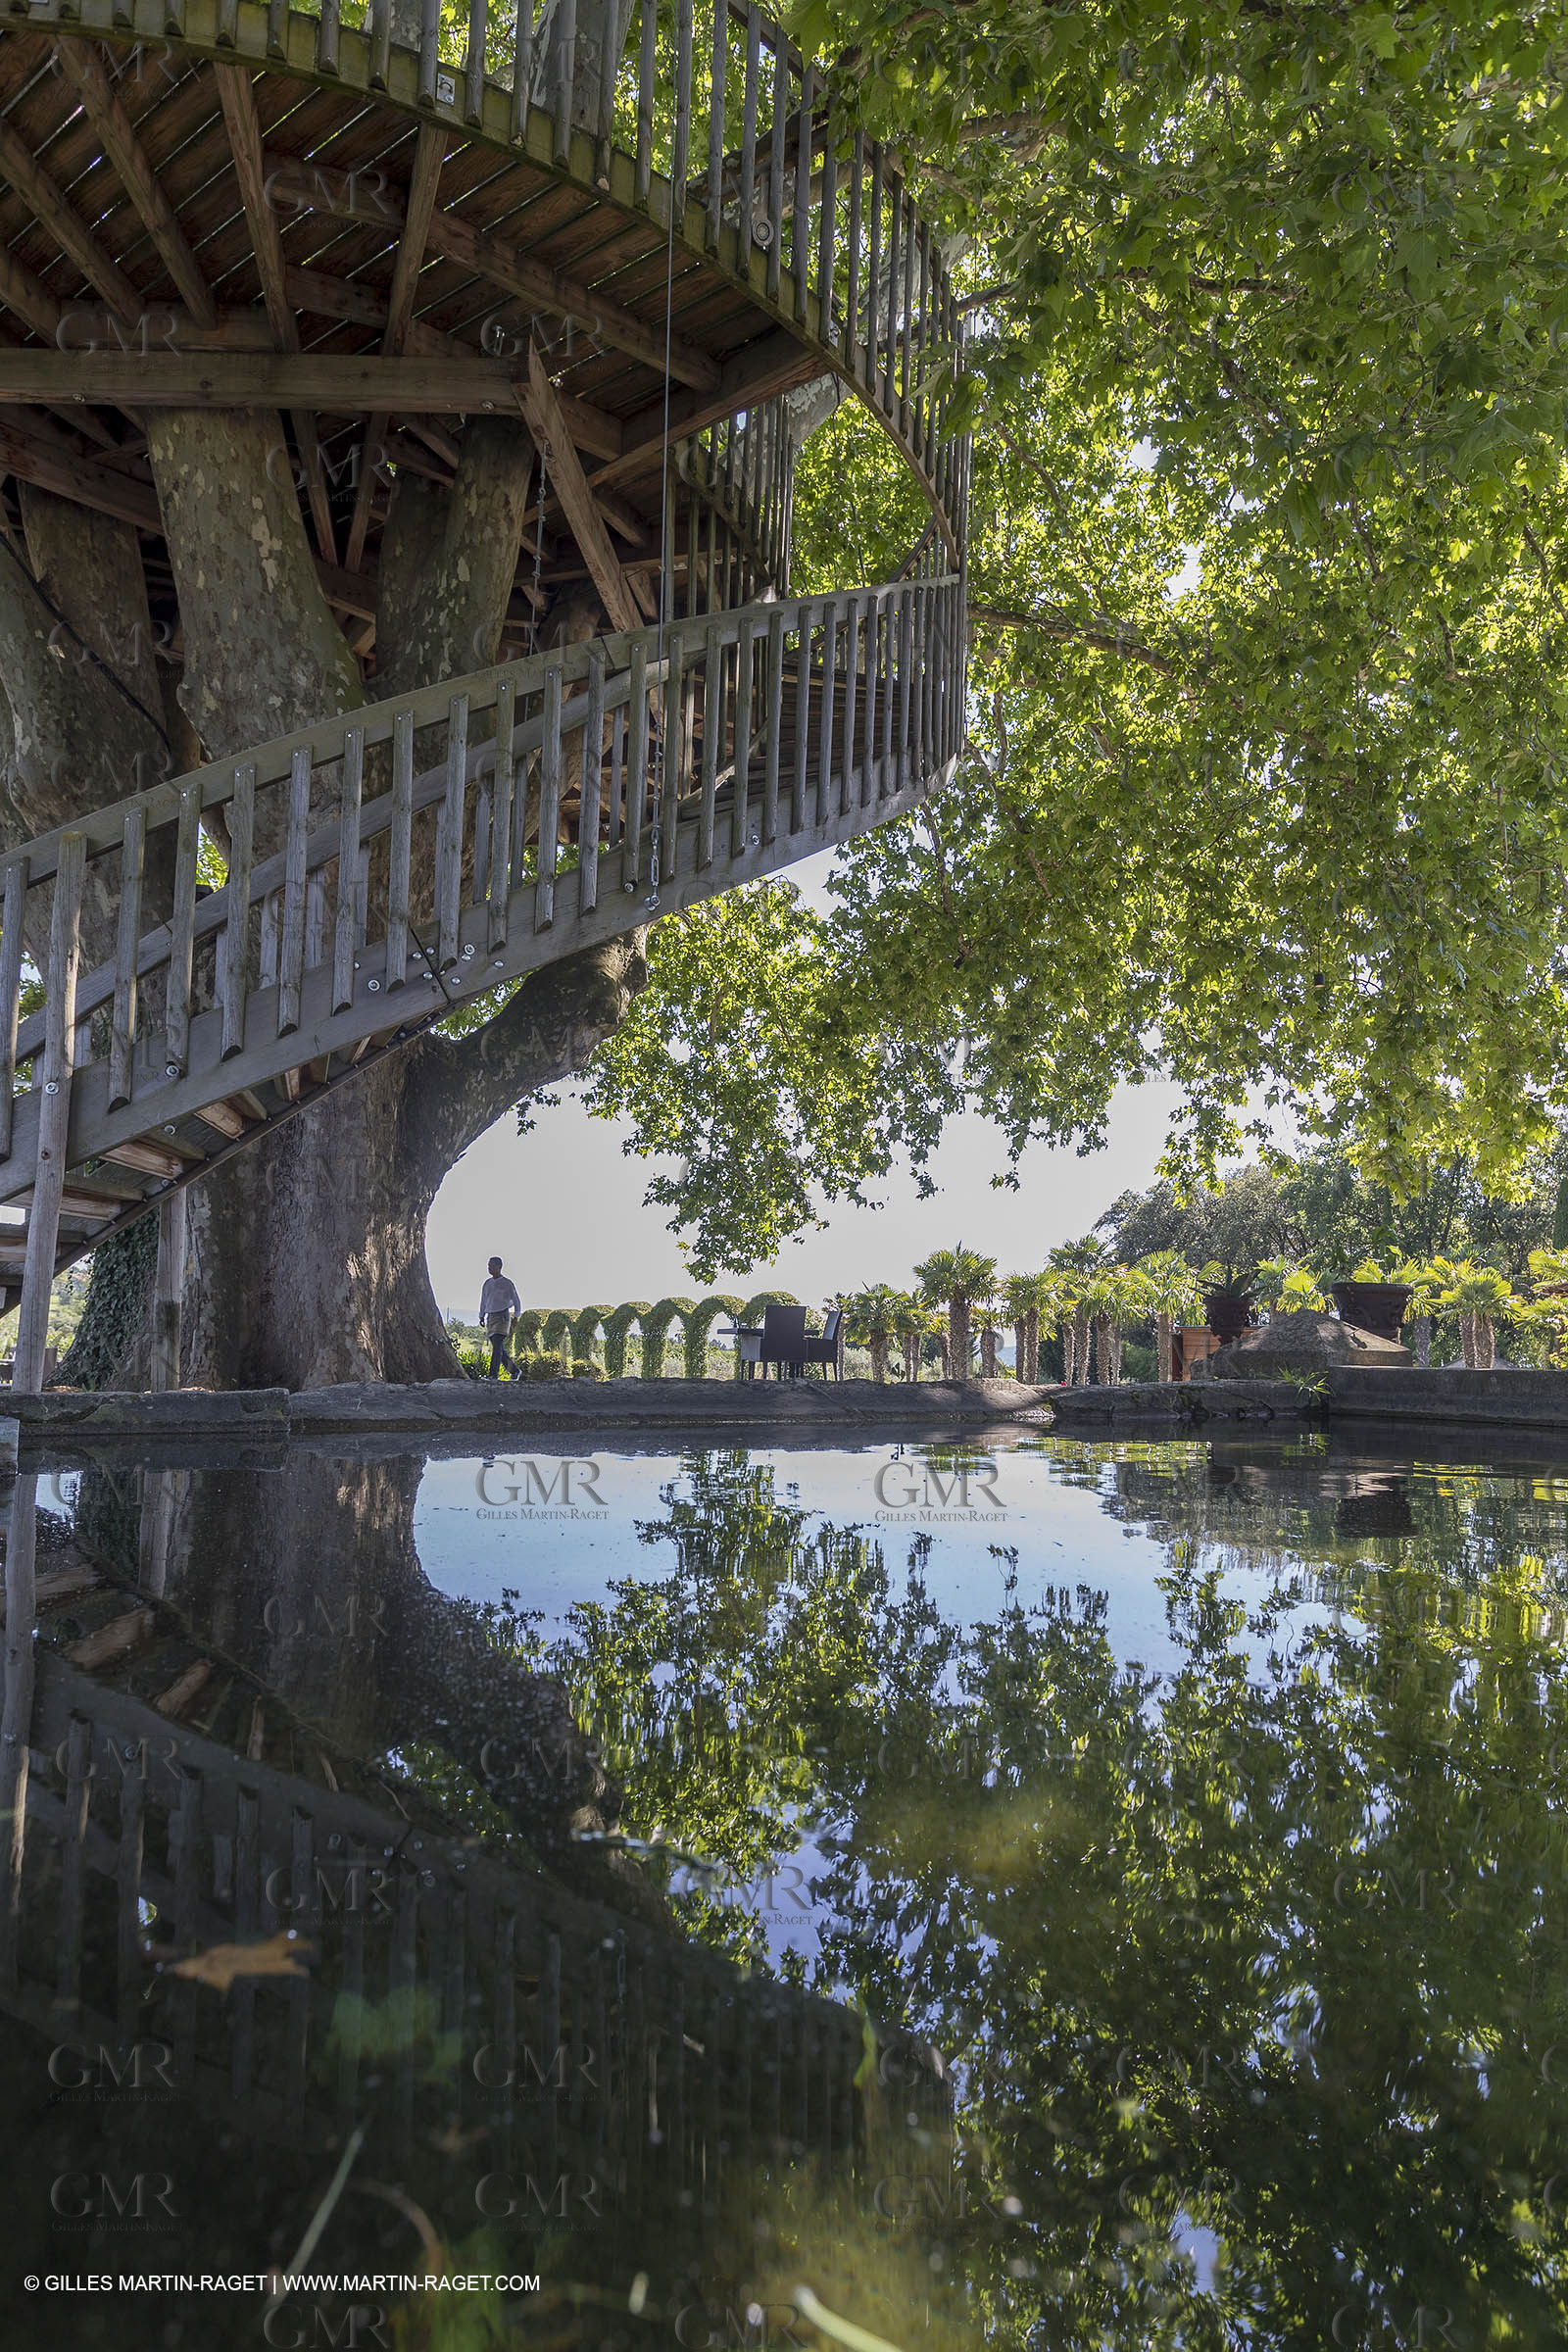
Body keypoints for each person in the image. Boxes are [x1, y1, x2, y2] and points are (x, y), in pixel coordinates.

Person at [478, 1256, 522, 1379]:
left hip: (502, 1317)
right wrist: (481, 1316)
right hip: (490, 1317)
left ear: (499, 1267)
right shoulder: (487, 1284)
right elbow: (483, 1301)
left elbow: (516, 1301)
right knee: (499, 1349)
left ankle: (493, 1375)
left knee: (497, 1345)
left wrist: (516, 1316)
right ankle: (515, 1371)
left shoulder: (507, 1283)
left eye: (491, 1265)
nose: (489, 1268)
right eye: (488, 1265)